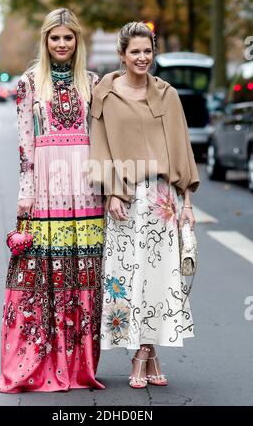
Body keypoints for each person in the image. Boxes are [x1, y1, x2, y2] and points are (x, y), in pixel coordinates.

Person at [0, 8, 105, 393]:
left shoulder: (93, 83)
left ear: (78, 41)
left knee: (82, 275)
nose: (61, 44)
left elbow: (103, 140)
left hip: (87, 189)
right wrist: (26, 191)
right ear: (45, 41)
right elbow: (25, 144)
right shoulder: (28, 83)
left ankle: (78, 364)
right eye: (55, 38)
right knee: (45, 276)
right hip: (46, 185)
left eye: (68, 38)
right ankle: (42, 358)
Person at [89, 21, 199, 388]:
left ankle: (144, 352)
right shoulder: (104, 92)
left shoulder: (167, 94)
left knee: (158, 279)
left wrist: (186, 202)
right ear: (122, 55)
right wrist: (113, 191)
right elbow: (99, 145)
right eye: (134, 51)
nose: (142, 57)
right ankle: (147, 354)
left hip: (161, 201)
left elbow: (181, 148)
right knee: (124, 278)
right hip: (123, 199)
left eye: (147, 51)